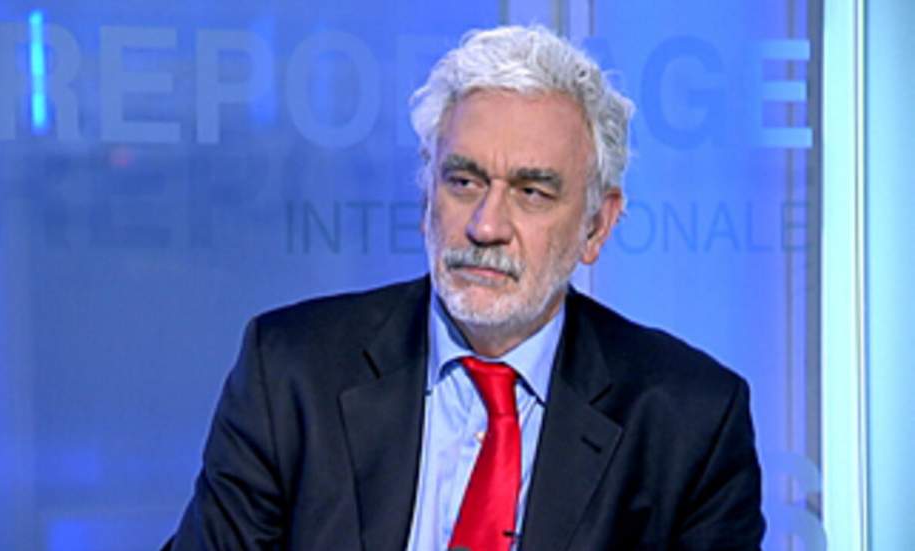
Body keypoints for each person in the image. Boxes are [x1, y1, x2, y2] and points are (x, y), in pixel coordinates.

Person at [167, 25, 765, 550]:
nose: (486, 226)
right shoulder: (291, 373)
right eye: (464, 181)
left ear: (596, 225)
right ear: (427, 193)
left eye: (532, 193)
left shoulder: (690, 422)